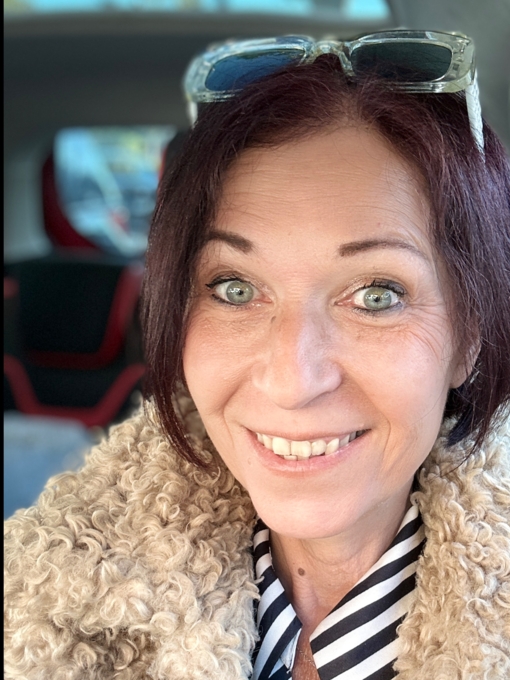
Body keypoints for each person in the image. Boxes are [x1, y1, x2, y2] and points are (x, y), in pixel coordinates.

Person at [4, 30, 510, 680]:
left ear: (469, 337)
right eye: (235, 288)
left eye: (377, 295)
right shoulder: (47, 608)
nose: (292, 380)